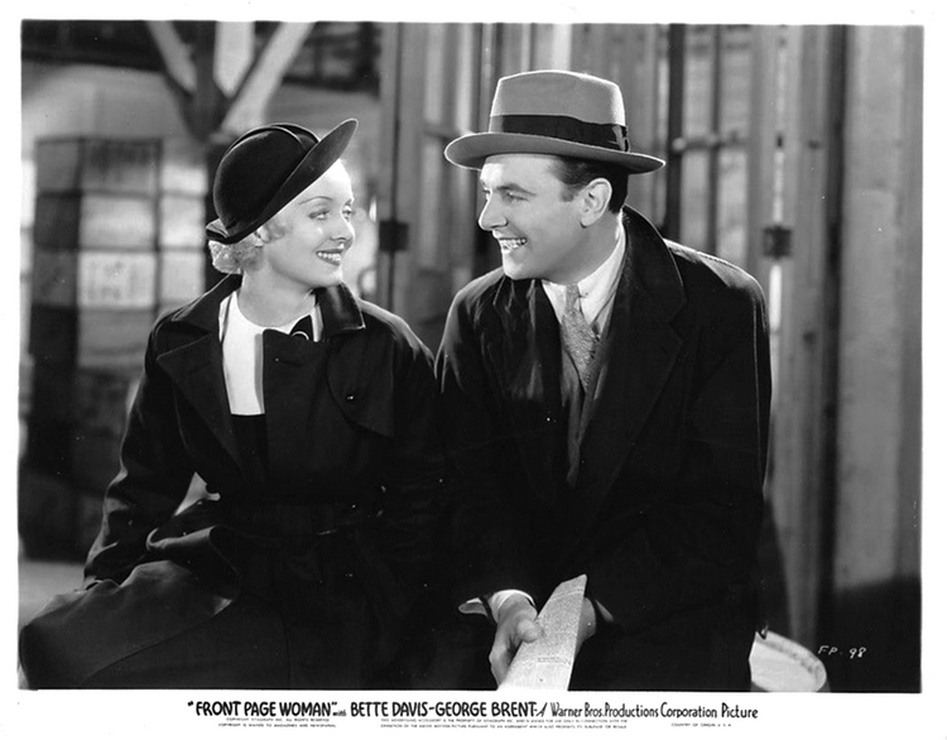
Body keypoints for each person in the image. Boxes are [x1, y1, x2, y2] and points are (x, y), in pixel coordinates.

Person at [19, 120, 444, 689]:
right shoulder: (181, 339)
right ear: (261, 230)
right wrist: (104, 592)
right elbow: (144, 485)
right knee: (52, 643)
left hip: (344, 586)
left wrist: (397, 614)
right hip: (220, 562)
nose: (345, 232)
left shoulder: (388, 345)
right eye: (321, 213)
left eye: (347, 211)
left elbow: (424, 501)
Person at [436, 70, 772, 690]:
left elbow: (718, 514)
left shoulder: (722, 305)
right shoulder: (476, 314)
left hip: (665, 633)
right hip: (519, 632)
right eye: (486, 192)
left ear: (591, 200)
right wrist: (509, 600)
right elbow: (468, 492)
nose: (487, 218)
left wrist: (586, 613)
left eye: (512, 195)